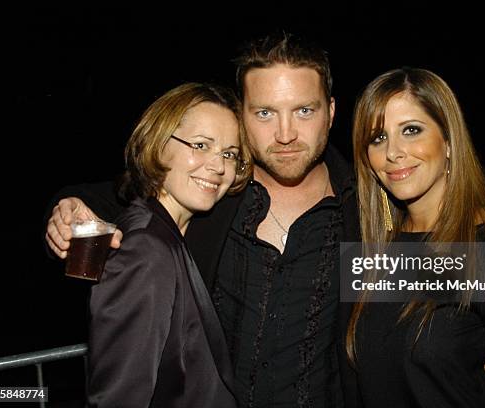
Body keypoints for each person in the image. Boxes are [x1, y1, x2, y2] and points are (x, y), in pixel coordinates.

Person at [47, 32, 359, 408]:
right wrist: (64, 207)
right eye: (265, 113)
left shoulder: (365, 209)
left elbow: (428, 288)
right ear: (242, 115)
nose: (286, 134)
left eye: (304, 110)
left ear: (331, 112)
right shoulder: (214, 194)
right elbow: (114, 195)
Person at [346, 67, 485, 407]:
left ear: (448, 141)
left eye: (411, 130)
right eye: (377, 138)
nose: (393, 152)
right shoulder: (374, 251)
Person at [83, 82, 251, 407]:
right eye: (201, 145)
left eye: (229, 154)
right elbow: (120, 397)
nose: (218, 166)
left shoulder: (169, 234)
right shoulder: (145, 249)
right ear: (160, 145)